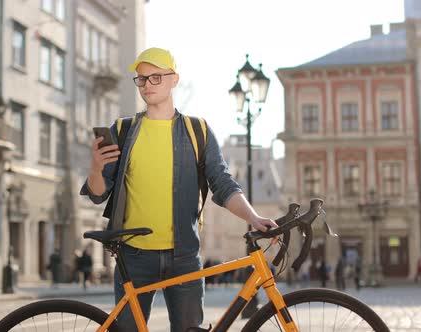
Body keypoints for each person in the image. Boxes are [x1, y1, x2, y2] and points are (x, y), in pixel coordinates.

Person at [80, 47, 278, 332]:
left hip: (184, 256)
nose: (147, 85)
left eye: (156, 78)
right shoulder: (123, 130)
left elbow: (222, 184)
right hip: (134, 255)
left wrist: (253, 218)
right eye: (142, 79)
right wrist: (96, 167)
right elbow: (99, 193)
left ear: (174, 79)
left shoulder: (197, 131)